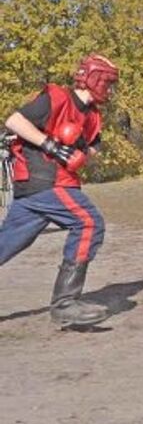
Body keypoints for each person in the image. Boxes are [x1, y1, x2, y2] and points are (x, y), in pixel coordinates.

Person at [0, 54, 119, 327]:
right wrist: (51, 145)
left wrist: (82, 151)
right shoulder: (57, 97)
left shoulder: (92, 115)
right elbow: (14, 121)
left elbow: (94, 147)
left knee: (6, 243)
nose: (111, 89)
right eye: (109, 83)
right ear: (95, 79)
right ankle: (65, 302)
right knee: (89, 223)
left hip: (41, 188)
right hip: (46, 180)